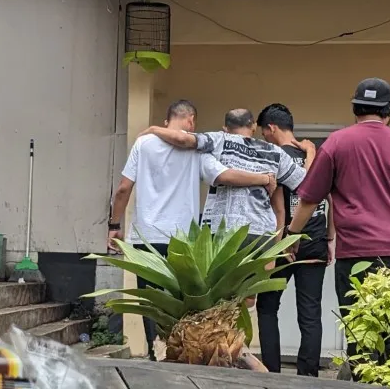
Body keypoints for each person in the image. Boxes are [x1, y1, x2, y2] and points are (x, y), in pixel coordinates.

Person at [284, 78, 390, 381]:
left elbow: (309, 199)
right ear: (389, 111)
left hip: (356, 256)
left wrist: (292, 236)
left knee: (361, 337)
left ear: (355, 108)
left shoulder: (336, 144)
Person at [108, 100, 277, 360]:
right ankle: (177, 352)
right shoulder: (197, 152)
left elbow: (122, 189)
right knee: (182, 301)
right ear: (191, 121)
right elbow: (224, 176)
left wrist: (114, 225)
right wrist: (265, 179)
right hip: (183, 241)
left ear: (168, 121)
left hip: (146, 236)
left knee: (150, 301)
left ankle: (154, 354)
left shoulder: (143, 144)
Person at [255, 103, 335, 377]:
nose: (264, 138)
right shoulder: (318, 156)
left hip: (283, 241)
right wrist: (330, 237)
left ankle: (271, 373)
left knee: (267, 308)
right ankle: (308, 376)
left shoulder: (273, 155)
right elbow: (329, 196)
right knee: (310, 312)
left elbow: (302, 192)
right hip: (315, 241)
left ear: (272, 128)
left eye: (264, 132)